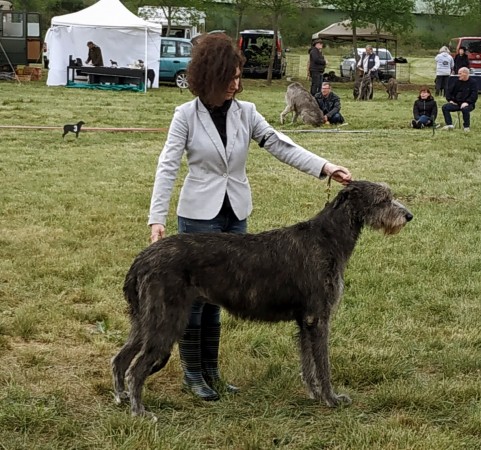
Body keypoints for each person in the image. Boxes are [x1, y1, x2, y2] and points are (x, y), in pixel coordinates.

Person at [148, 33, 352, 402]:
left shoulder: (247, 112)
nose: (236, 85)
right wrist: (156, 218)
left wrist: (324, 167)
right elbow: (167, 166)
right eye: (230, 78)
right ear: (208, 76)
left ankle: (212, 371)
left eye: (239, 77)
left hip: (235, 214)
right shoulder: (185, 116)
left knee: (222, 298)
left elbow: (280, 145)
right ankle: (193, 374)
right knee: (193, 303)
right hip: (198, 216)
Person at [441, 67, 478, 132]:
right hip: (457, 103)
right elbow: (449, 92)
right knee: (445, 107)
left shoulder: (473, 82)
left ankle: (466, 127)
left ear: (466, 73)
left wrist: (467, 102)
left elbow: (474, 95)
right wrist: (450, 100)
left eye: (460, 73)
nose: (458, 75)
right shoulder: (457, 82)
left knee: (465, 109)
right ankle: (449, 125)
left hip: (469, 104)